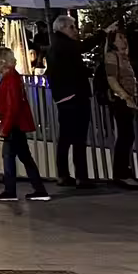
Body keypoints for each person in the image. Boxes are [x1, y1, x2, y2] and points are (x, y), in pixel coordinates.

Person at [0, 47, 50, 201]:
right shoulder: (13, 77)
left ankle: (11, 191)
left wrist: (5, 128)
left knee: (9, 157)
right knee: (24, 157)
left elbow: (12, 106)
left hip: (13, 125)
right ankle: (39, 190)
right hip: (17, 124)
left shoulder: (9, 79)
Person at [47, 15, 93, 188]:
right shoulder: (65, 45)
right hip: (74, 95)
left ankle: (64, 174)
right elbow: (81, 49)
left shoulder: (56, 47)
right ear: (63, 28)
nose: (75, 30)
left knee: (66, 137)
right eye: (72, 27)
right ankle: (81, 176)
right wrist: (102, 34)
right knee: (79, 137)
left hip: (64, 97)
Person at [99, 25, 138, 188]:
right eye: (120, 38)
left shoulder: (124, 57)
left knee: (128, 135)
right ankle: (121, 173)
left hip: (128, 99)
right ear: (113, 42)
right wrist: (125, 96)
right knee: (125, 135)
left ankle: (124, 171)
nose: (124, 40)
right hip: (120, 100)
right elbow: (112, 78)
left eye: (124, 37)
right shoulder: (112, 56)